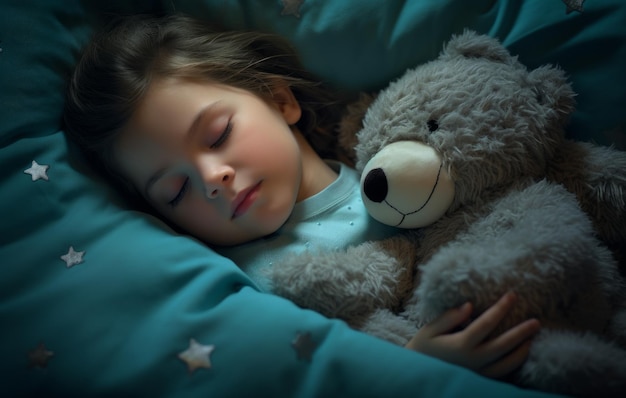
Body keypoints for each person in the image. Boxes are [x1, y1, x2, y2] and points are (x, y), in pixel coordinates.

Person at [63, 14, 540, 379]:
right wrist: (413, 367)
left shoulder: (394, 153)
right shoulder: (243, 288)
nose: (212, 178)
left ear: (280, 99)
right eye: (176, 189)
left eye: (217, 134)